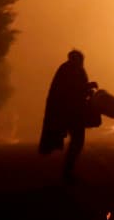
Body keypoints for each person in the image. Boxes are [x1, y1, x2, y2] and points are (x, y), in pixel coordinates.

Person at [38, 49, 97, 183]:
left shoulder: (67, 69)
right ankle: (67, 172)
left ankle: (68, 171)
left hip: (72, 112)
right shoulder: (71, 70)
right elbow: (72, 91)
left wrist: (87, 89)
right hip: (71, 112)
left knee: (77, 141)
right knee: (78, 140)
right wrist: (88, 86)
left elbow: (77, 89)